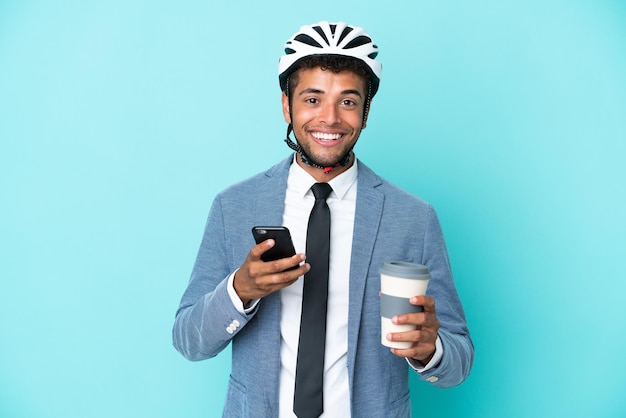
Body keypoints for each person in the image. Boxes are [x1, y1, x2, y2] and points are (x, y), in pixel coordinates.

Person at [173, 21, 473, 417]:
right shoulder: (235, 206)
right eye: (312, 100)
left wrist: (430, 350)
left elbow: (458, 363)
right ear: (287, 106)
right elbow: (189, 340)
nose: (329, 118)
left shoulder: (413, 218)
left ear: (365, 113)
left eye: (347, 102)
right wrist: (240, 290)